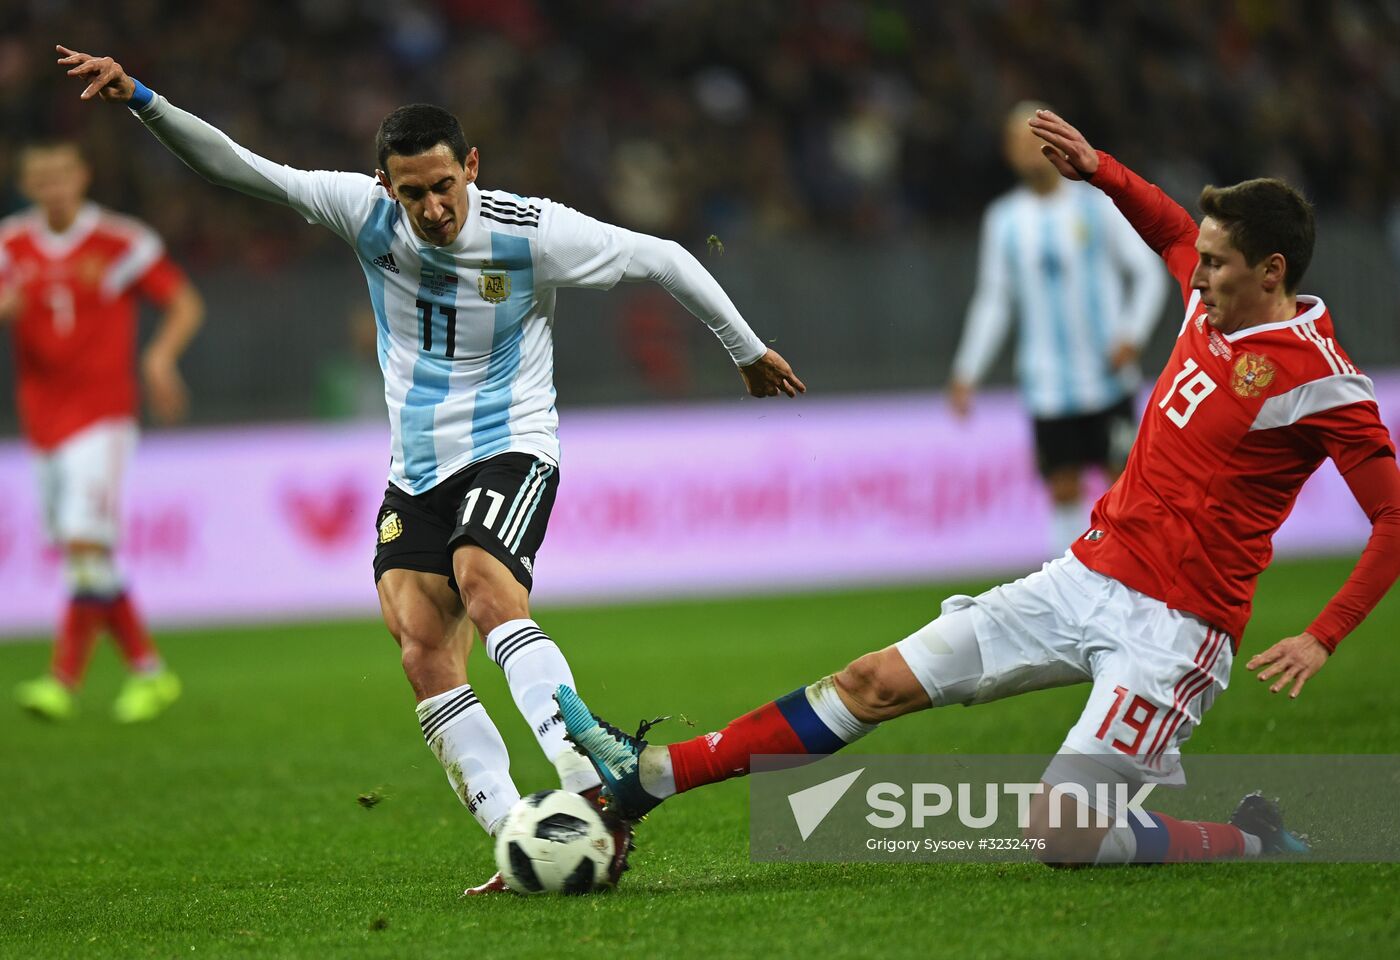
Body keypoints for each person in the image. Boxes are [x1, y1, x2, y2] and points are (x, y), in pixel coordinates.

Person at [558, 108, 1400, 866]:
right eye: (1203, 263)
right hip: (1085, 577)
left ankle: (1249, 840)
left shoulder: (1323, 383)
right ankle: (650, 781)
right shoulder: (1208, 296)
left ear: (1272, 272)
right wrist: (1102, 170)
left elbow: (1393, 517)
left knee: (1061, 834)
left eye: (1217, 266)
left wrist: (1325, 634)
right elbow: (1173, 226)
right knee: (868, 683)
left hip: (1175, 630)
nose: (1198, 273)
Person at [55, 45, 804, 890]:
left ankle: (589, 777)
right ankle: (519, 835)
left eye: (445, 185)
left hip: (511, 443)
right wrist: (143, 100)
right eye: (412, 192)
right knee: (420, 647)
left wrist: (745, 351)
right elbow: (240, 169)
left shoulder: (531, 232)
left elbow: (665, 257)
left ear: (471, 167)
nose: (433, 207)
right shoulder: (360, 213)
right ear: (384, 184)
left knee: (486, 587)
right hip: (415, 470)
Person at [3, 140, 203, 724]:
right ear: (26, 184)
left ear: (82, 175)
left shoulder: (121, 241)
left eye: (62, 175)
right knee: (87, 555)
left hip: (102, 415)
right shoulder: (10, 244)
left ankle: (62, 679)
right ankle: (150, 671)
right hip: (41, 420)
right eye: (41, 179)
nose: (53, 188)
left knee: (86, 544)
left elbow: (184, 302)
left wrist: (159, 359)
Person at [949, 102, 1168, 556]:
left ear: (1054, 141)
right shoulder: (1004, 220)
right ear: (1008, 153)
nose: (1028, 150)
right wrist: (966, 370)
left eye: (1035, 138)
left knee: (1125, 483)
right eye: (1017, 141)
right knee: (1063, 487)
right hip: (1047, 382)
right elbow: (994, 299)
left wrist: (1132, 334)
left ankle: (1138, 582)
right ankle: (1069, 591)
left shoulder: (1097, 205)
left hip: (1107, 377)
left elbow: (1148, 272)